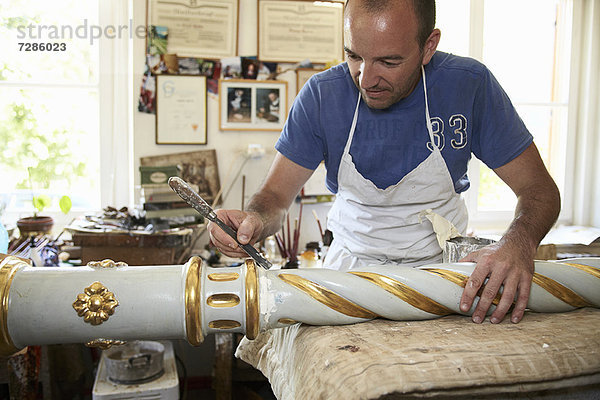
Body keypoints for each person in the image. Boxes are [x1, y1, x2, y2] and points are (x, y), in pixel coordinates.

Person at [208, 0, 560, 325]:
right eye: (353, 56)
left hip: (444, 278)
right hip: (349, 276)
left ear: (428, 46)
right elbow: (274, 198)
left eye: (389, 62)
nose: (366, 79)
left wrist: (518, 242)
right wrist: (252, 220)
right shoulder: (321, 96)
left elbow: (539, 191)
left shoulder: (469, 86)